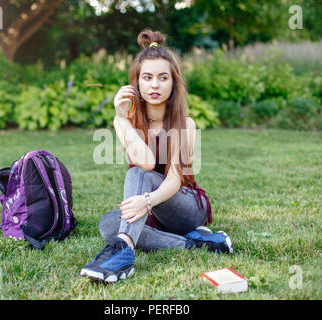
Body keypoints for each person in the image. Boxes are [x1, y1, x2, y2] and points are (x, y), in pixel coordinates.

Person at [80, 29, 233, 283]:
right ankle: (195, 244)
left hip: (185, 206)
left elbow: (173, 179)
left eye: (163, 78)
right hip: (152, 212)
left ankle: (123, 252)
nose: (154, 85)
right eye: (147, 77)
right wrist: (120, 118)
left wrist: (147, 202)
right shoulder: (125, 121)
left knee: (137, 175)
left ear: (173, 82)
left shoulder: (186, 123)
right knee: (109, 224)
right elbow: (147, 161)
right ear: (136, 82)